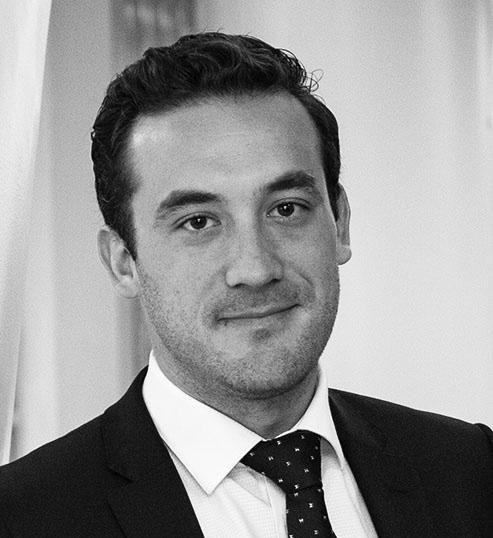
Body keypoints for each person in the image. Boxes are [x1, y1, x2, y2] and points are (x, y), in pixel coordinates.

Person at [0, 32, 491, 538]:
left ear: (340, 223)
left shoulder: (470, 471)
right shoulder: (22, 518)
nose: (255, 269)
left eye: (286, 209)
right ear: (124, 261)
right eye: (198, 222)